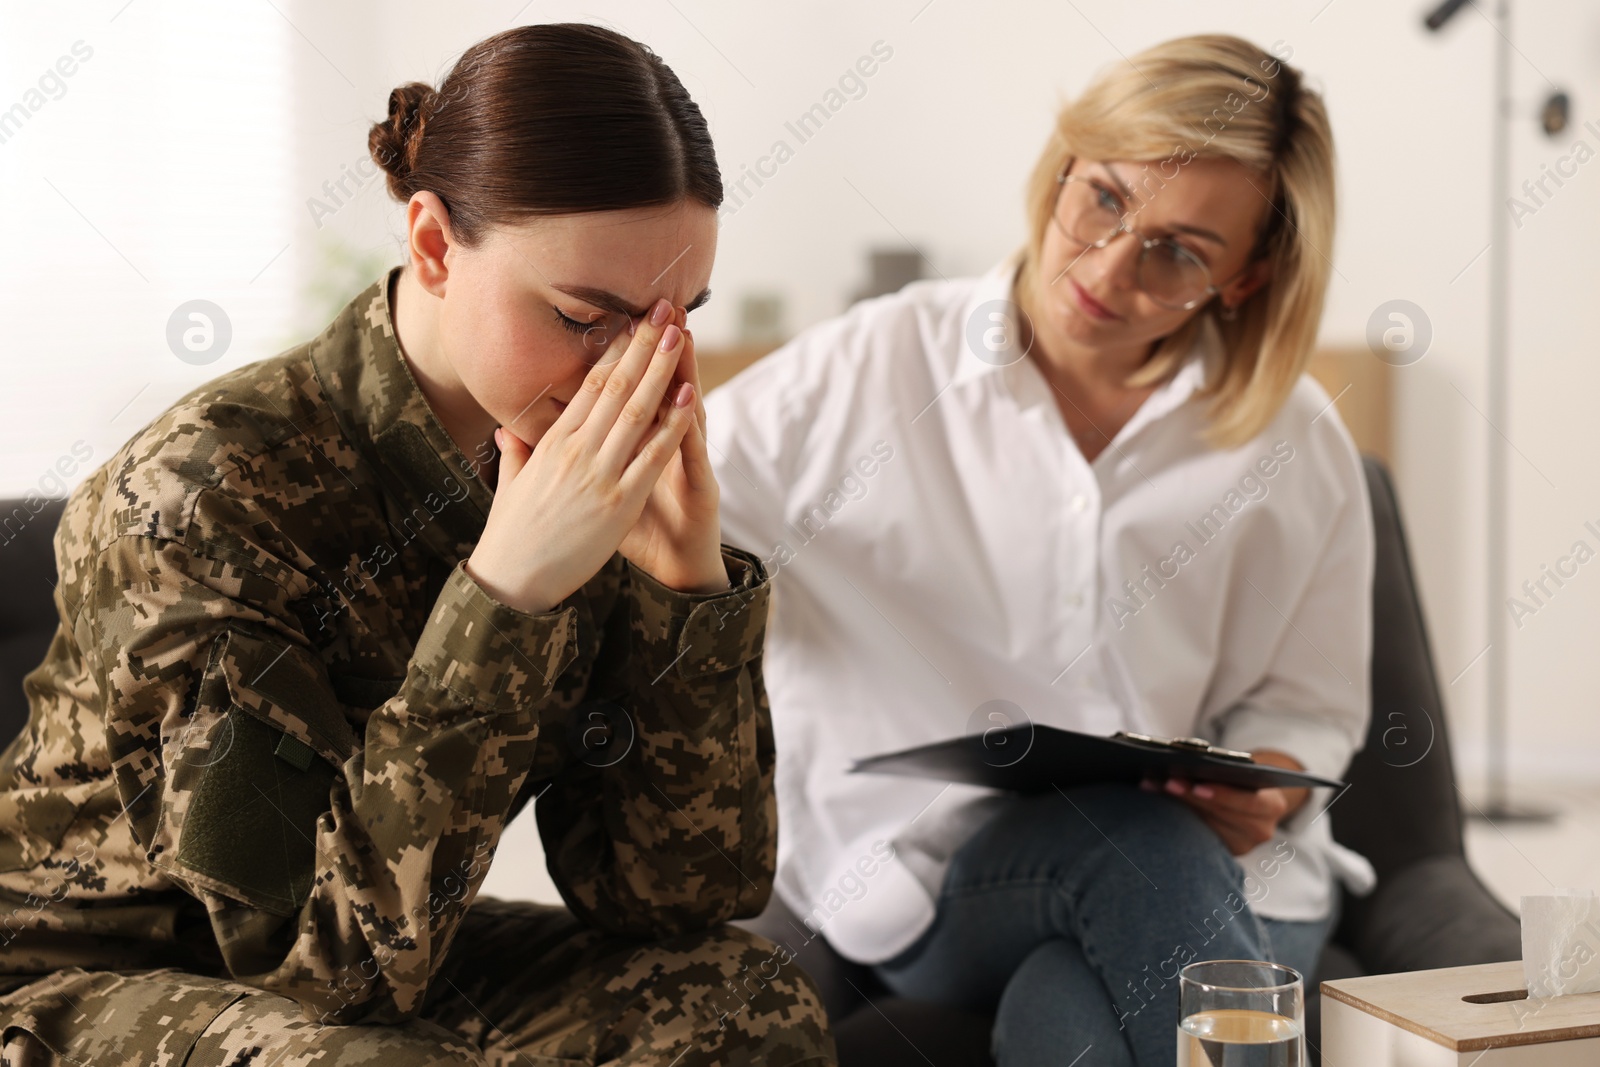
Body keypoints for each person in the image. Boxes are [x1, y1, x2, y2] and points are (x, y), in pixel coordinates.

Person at [0, 23, 834, 1067]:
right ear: (433, 245)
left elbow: (672, 900)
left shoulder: (566, 453)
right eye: (585, 314)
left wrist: (684, 591)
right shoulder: (200, 491)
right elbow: (315, 961)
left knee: (743, 1001)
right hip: (90, 981)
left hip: (388, 966)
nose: (633, 376)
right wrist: (505, 597)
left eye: (672, 319)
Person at [709, 34, 1374, 1067]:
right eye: (1103, 199)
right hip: (938, 877)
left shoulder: (1292, 441)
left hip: (1232, 876)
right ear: (1063, 166)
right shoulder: (871, 366)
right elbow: (671, 507)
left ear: (1246, 278)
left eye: (1181, 250)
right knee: (1135, 850)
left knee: (1062, 1011)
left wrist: (1271, 782)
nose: (1110, 267)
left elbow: (1312, 704)